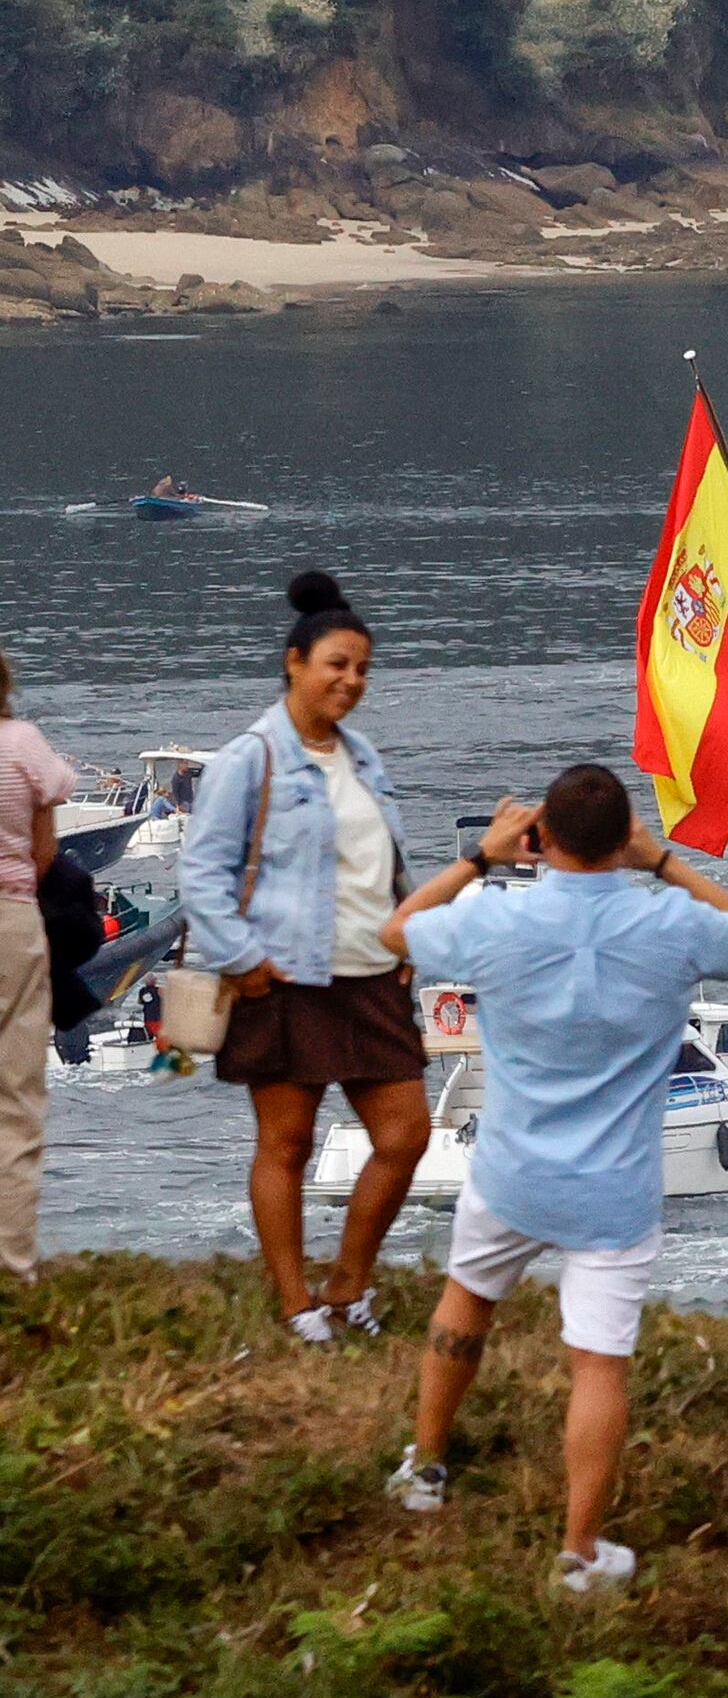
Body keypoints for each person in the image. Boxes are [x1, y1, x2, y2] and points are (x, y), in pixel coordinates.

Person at [380, 762, 728, 1593]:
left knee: (466, 1303)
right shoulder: (669, 922)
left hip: (512, 1164)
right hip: (615, 1186)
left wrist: (483, 857)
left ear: (541, 837)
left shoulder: (494, 918)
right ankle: (581, 1550)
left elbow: (399, 931)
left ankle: (425, 1467)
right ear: (624, 834)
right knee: (599, 1365)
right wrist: (660, 860)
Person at [185, 572, 432, 1342]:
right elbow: (200, 871)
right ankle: (297, 1305)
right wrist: (243, 957)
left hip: (370, 976)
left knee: (406, 1135)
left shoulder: (362, 756)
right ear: (294, 662)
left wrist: (406, 934)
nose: (351, 681)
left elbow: (380, 860)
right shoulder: (249, 759)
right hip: (286, 977)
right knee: (285, 1144)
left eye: (361, 667)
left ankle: (348, 1286)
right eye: (336, 663)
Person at [0, 647, 83, 1280]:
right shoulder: (22, 744)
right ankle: (11, 1265)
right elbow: (46, 845)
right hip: (10, 919)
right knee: (17, 1099)